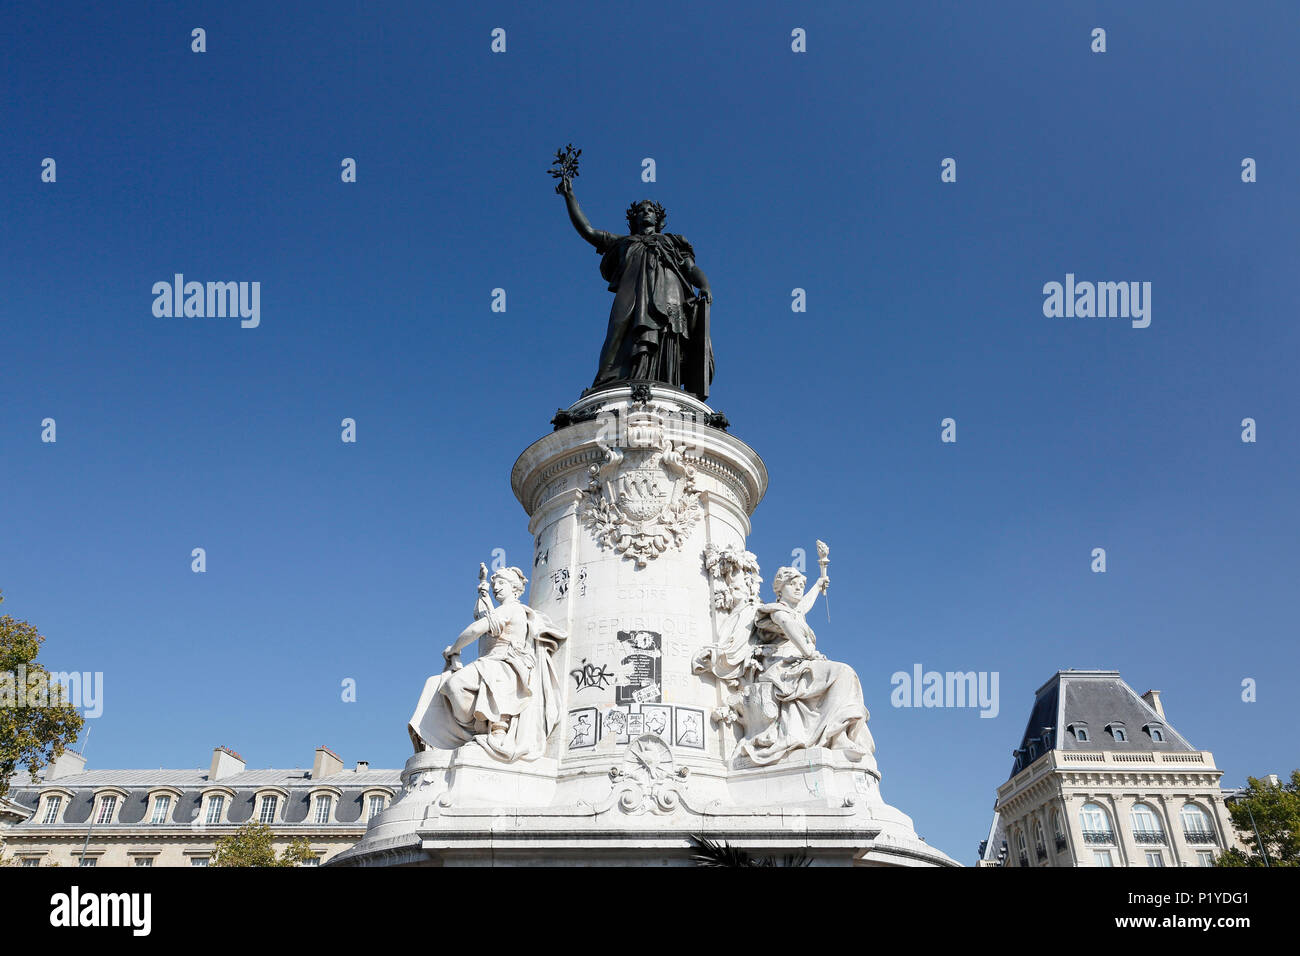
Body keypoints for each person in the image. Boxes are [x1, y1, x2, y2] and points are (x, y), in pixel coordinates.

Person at [557, 180, 713, 399]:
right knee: (619, 329)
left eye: (650, 210)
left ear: (658, 219)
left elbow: (690, 268)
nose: (645, 213)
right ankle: (610, 381)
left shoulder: (672, 242)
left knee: (666, 334)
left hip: (669, 293)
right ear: (634, 218)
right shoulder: (624, 242)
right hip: (631, 294)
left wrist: (704, 285)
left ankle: (664, 384)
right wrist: (569, 196)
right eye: (640, 211)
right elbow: (588, 231)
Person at [408, 567, 566, 762]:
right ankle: (479, 730)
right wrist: (483, 588)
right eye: (494, 585)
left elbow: (477, 628)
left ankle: (485, 730)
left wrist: (454, 649)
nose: (496, 588)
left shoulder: (512, 608)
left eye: (501, 583)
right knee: (441, 684)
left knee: (454, 684)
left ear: (515, 588)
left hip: (506, 665)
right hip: (493, 662)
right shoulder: (502, 610)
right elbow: (485, 618)